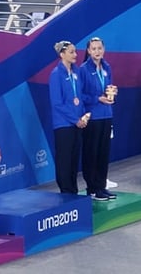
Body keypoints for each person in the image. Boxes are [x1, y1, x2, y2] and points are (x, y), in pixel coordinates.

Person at [80, 37, 117, 201]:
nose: (97, 52)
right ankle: (92, 188)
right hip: (92, 116)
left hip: (106, 114)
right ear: (88, 51)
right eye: (93, 49)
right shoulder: (83, 69)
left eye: (99, 48)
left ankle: (101, 186)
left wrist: (112, 93)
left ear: (104, 49)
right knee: (91, 153)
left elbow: (107, 87)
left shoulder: (107, 67)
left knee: (103, 152)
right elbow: (80, 95)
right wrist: (97, 99)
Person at [49, 40, 88, 195]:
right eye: (71, 52)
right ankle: (65, 191)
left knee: (73, 159)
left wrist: (84, 115)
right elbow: (57, 103)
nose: (75, 55)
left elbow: (80, 96)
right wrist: (75, 119)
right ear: (62, 54)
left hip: (77, 123)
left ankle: (73, 190)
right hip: (63, 124)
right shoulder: (56, 74)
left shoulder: (76, 72)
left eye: (75, 51)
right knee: (64, 159)